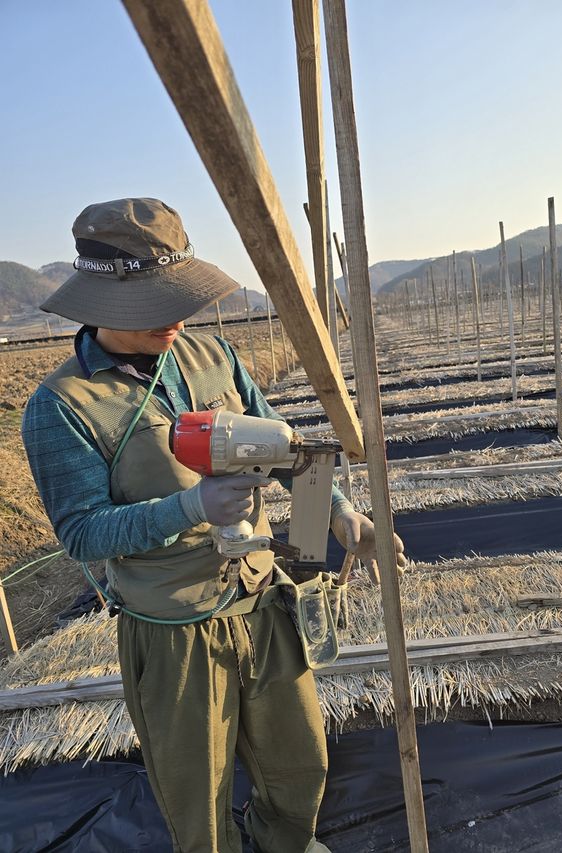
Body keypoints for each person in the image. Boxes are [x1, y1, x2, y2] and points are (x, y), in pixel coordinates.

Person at [22, 197, 406, 853]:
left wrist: (339, 514)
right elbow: (84, 533)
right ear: (100, 305)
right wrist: (192, 508)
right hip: (174, 631)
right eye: (149, 309)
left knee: (300, 760)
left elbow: (284, 448)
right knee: (195, 793)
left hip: (261, 600)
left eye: (177, 299)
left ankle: (285, 842)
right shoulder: (63, 406)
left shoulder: (213, 357)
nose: (171, 319)